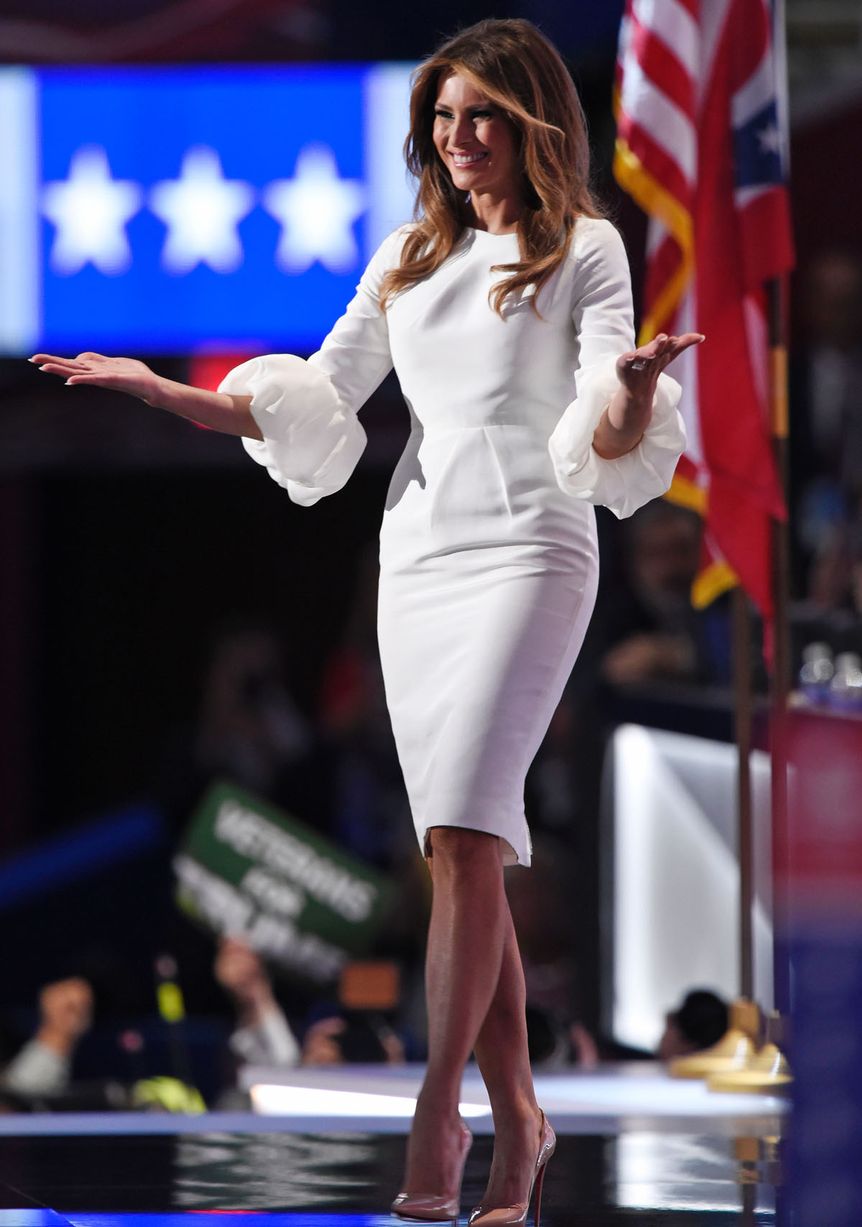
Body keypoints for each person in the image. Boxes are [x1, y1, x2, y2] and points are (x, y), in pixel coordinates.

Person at [32, 17, 701, 1224]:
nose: (459, 138)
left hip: (532, 549)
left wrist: (637, 393)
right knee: (459, 847)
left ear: (532, 122)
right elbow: (315, 399)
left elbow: (607, 429)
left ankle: (439, 1117)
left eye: (482, 115)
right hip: (421, 556)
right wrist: (161, 391)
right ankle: (523, 1115)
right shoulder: (406, 257)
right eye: (443, 117)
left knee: (467, 827)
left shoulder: (585, 249)